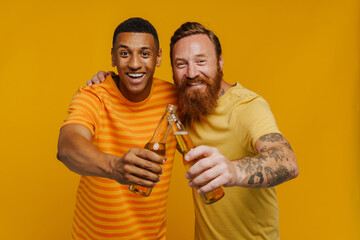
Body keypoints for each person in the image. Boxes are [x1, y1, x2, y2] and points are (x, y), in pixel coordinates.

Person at [90, 22, 299, 240]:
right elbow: (138, 91)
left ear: (219, 62)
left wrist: (233, 171)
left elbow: (286, 160)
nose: (192, 73)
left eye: (201, 61)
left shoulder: (247, 107)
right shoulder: (185, 106)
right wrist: (111, 81)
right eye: (181, 64)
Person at [57, 17, 177, 240]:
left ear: (158, 57)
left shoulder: (175, 99)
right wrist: (115, 167)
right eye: (124, 53)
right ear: (113, 56)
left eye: (144, 53)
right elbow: (67, 147)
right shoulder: (93, 95)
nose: (134, 63)